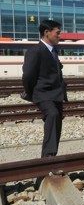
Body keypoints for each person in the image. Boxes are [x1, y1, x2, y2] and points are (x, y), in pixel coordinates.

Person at [22, 20, 67, 158]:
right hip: (43, 94)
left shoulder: (54, 51)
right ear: (47, 32)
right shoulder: (35, 51)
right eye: (57, 33)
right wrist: (31, 93)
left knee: (56, 123)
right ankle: (48, 158)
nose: (60, 35)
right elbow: (28, 75)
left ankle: (51, 156)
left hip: (57, 95)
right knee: (52, 115)